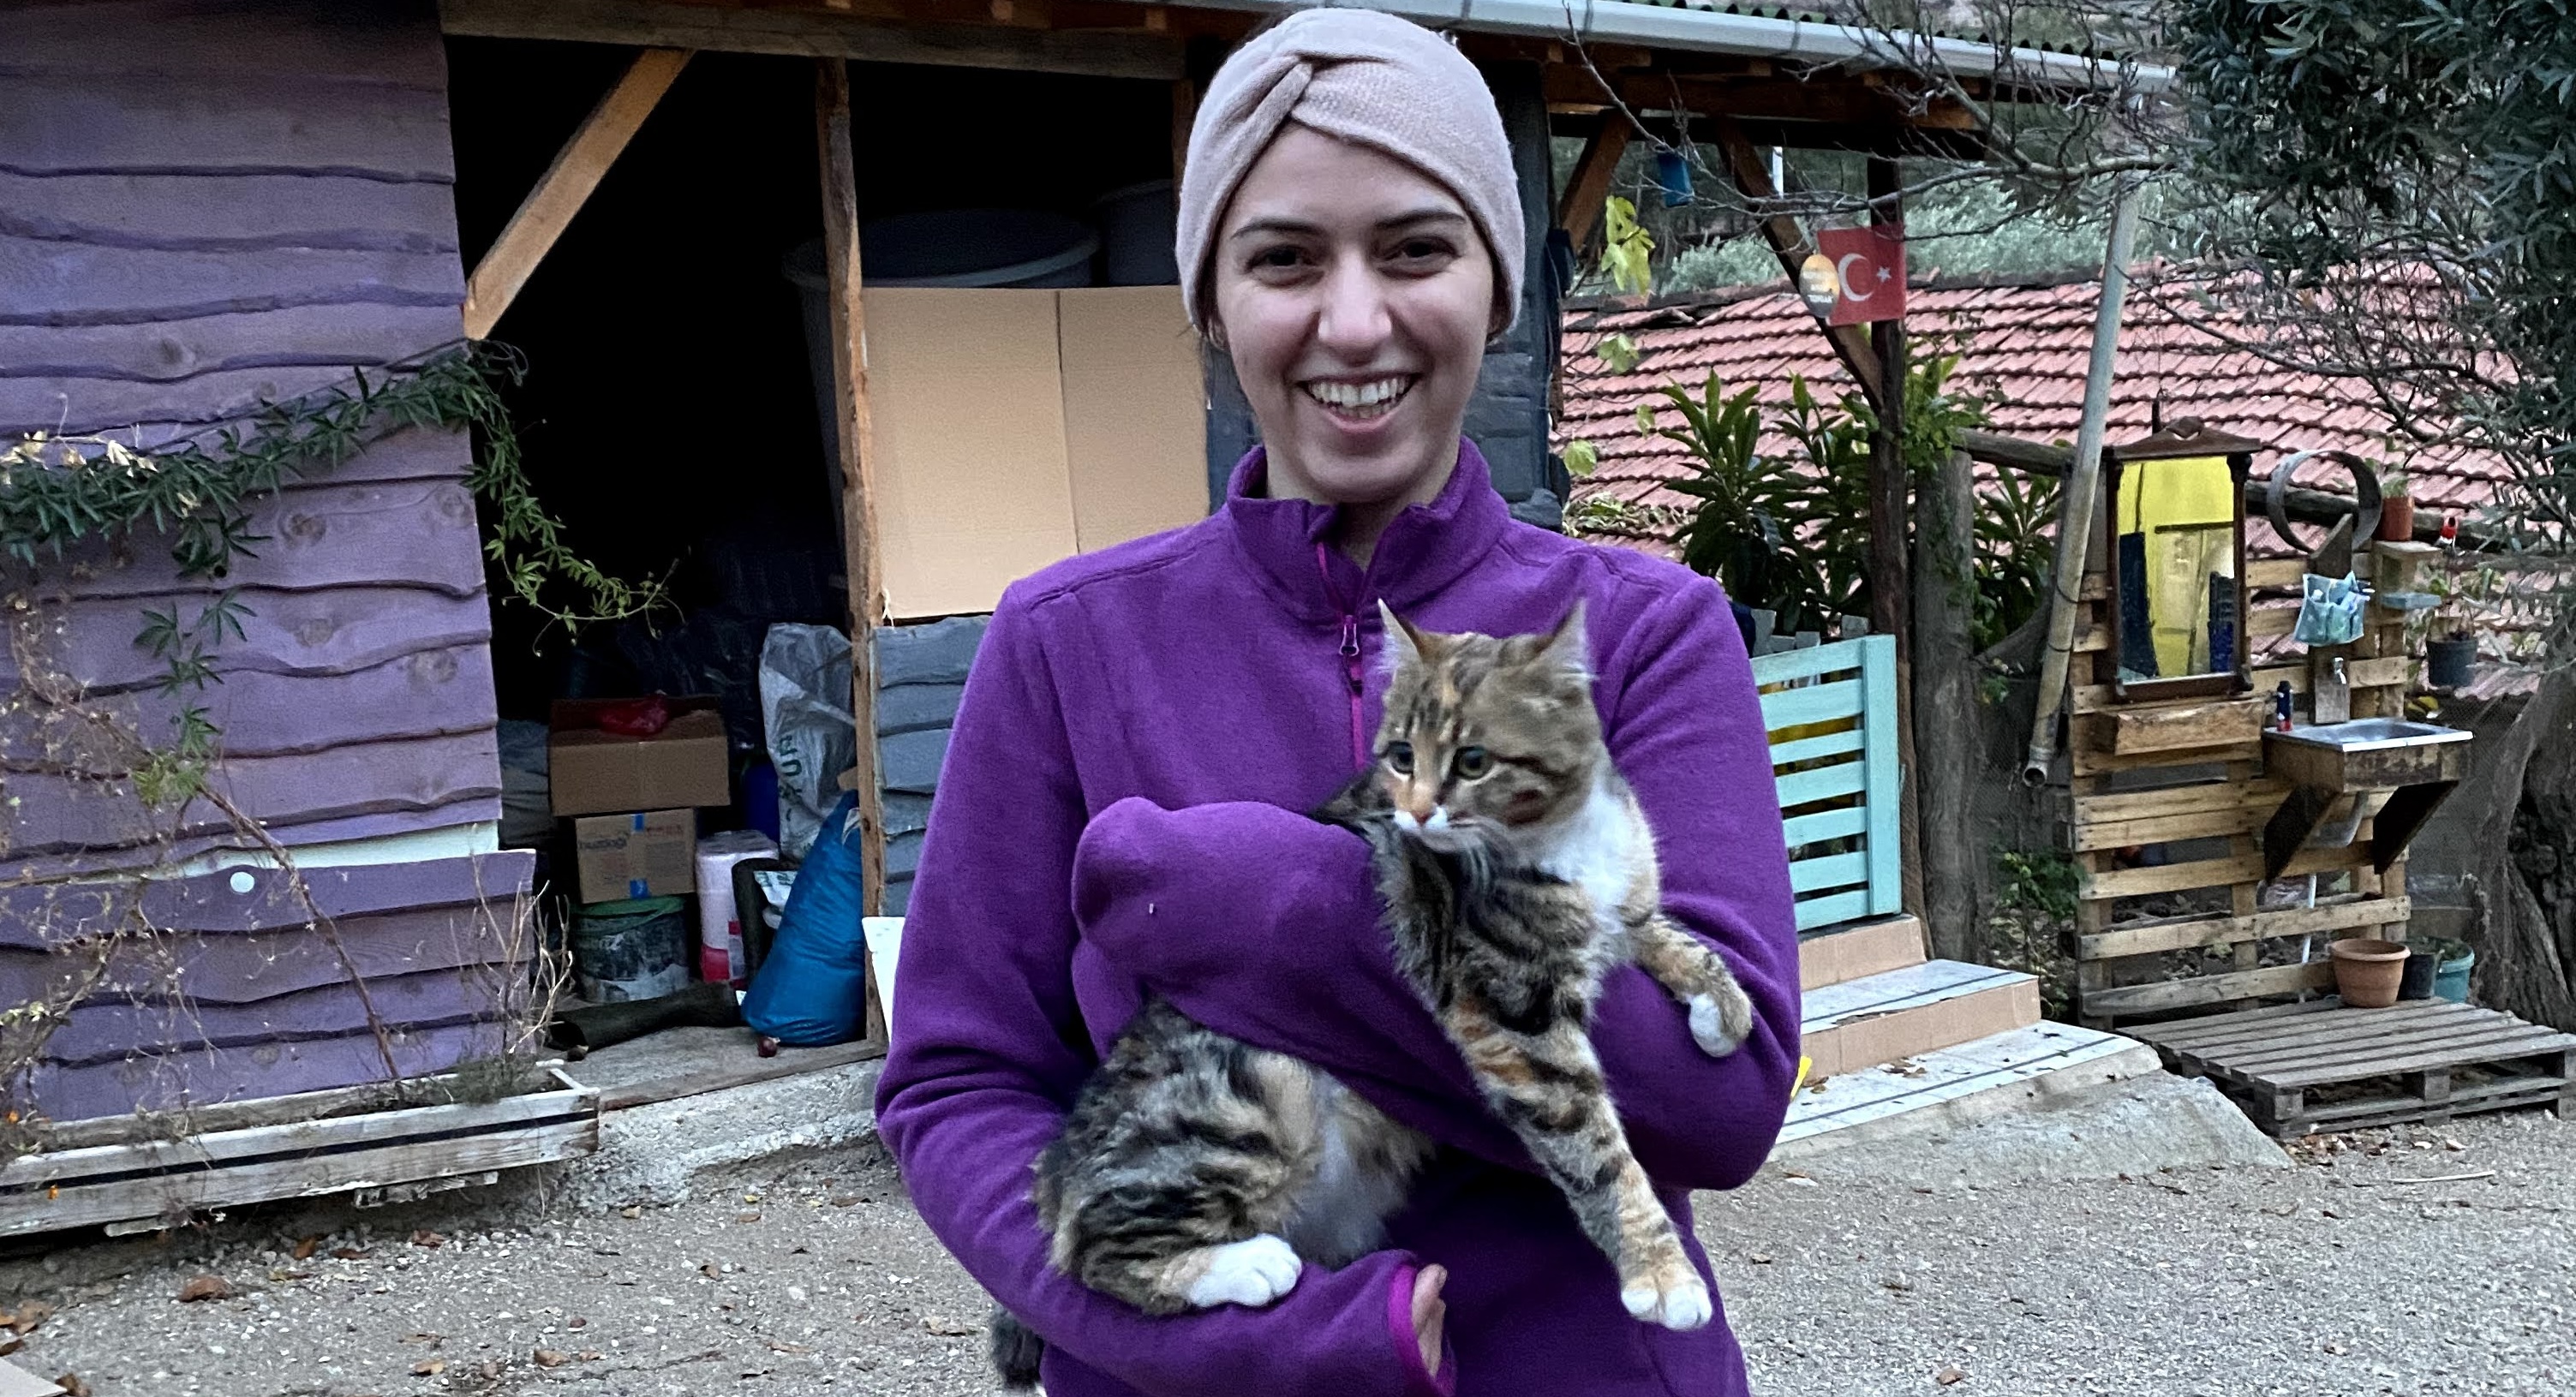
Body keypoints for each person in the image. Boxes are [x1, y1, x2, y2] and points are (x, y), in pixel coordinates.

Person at [872, 10, 1800, 1394]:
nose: (1352, 319)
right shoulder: (1064, 644)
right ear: (1208, 305)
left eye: (1417, 248)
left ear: (1497, 285)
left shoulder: (1645, 635)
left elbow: (1714, 1106)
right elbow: (958, 1089)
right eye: (1284, 259)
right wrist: (1253, 1341)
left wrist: (1294, 907)